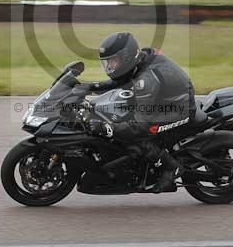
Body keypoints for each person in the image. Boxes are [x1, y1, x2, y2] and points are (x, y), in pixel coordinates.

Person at [81, 32, 197, 193]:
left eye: (113, 62)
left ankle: (171, 168)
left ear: (126, 57)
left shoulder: (145, 81)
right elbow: (122, 80)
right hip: (162, 99)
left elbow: (140, 124)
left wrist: (107, 128)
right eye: (108, 63)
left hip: (178, 107)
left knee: (137, 135)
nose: (110, 67)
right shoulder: (139, 61)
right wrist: (89, 86)